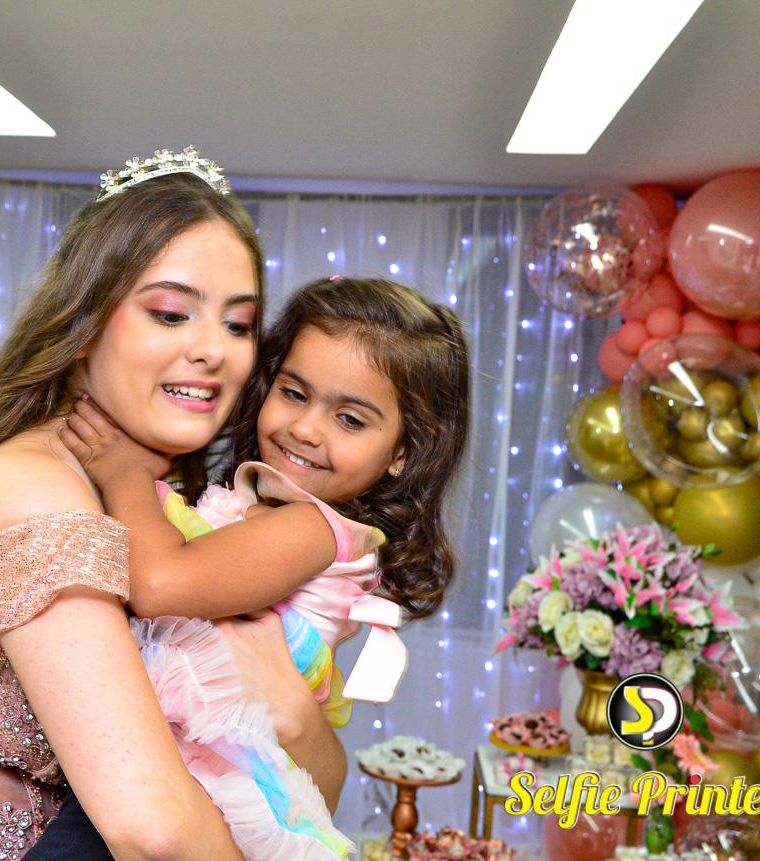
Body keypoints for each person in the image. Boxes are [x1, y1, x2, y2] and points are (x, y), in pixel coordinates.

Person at [0, 149, 347, 861]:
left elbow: (305, 786)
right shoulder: (33, 490)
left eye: (238, 325)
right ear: (84, 321)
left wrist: (294, 708)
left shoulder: (152, 510)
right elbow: (157, 830)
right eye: (171, 313)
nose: (214, 350)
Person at [37, 277, 471, 859]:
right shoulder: (266, 507)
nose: (305, 428)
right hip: (177, 761)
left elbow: (160, 584)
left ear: (403, 452)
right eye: (294, 393)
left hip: (206, 777)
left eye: (350, 419)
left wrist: (123, 472)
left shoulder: (314, 528)